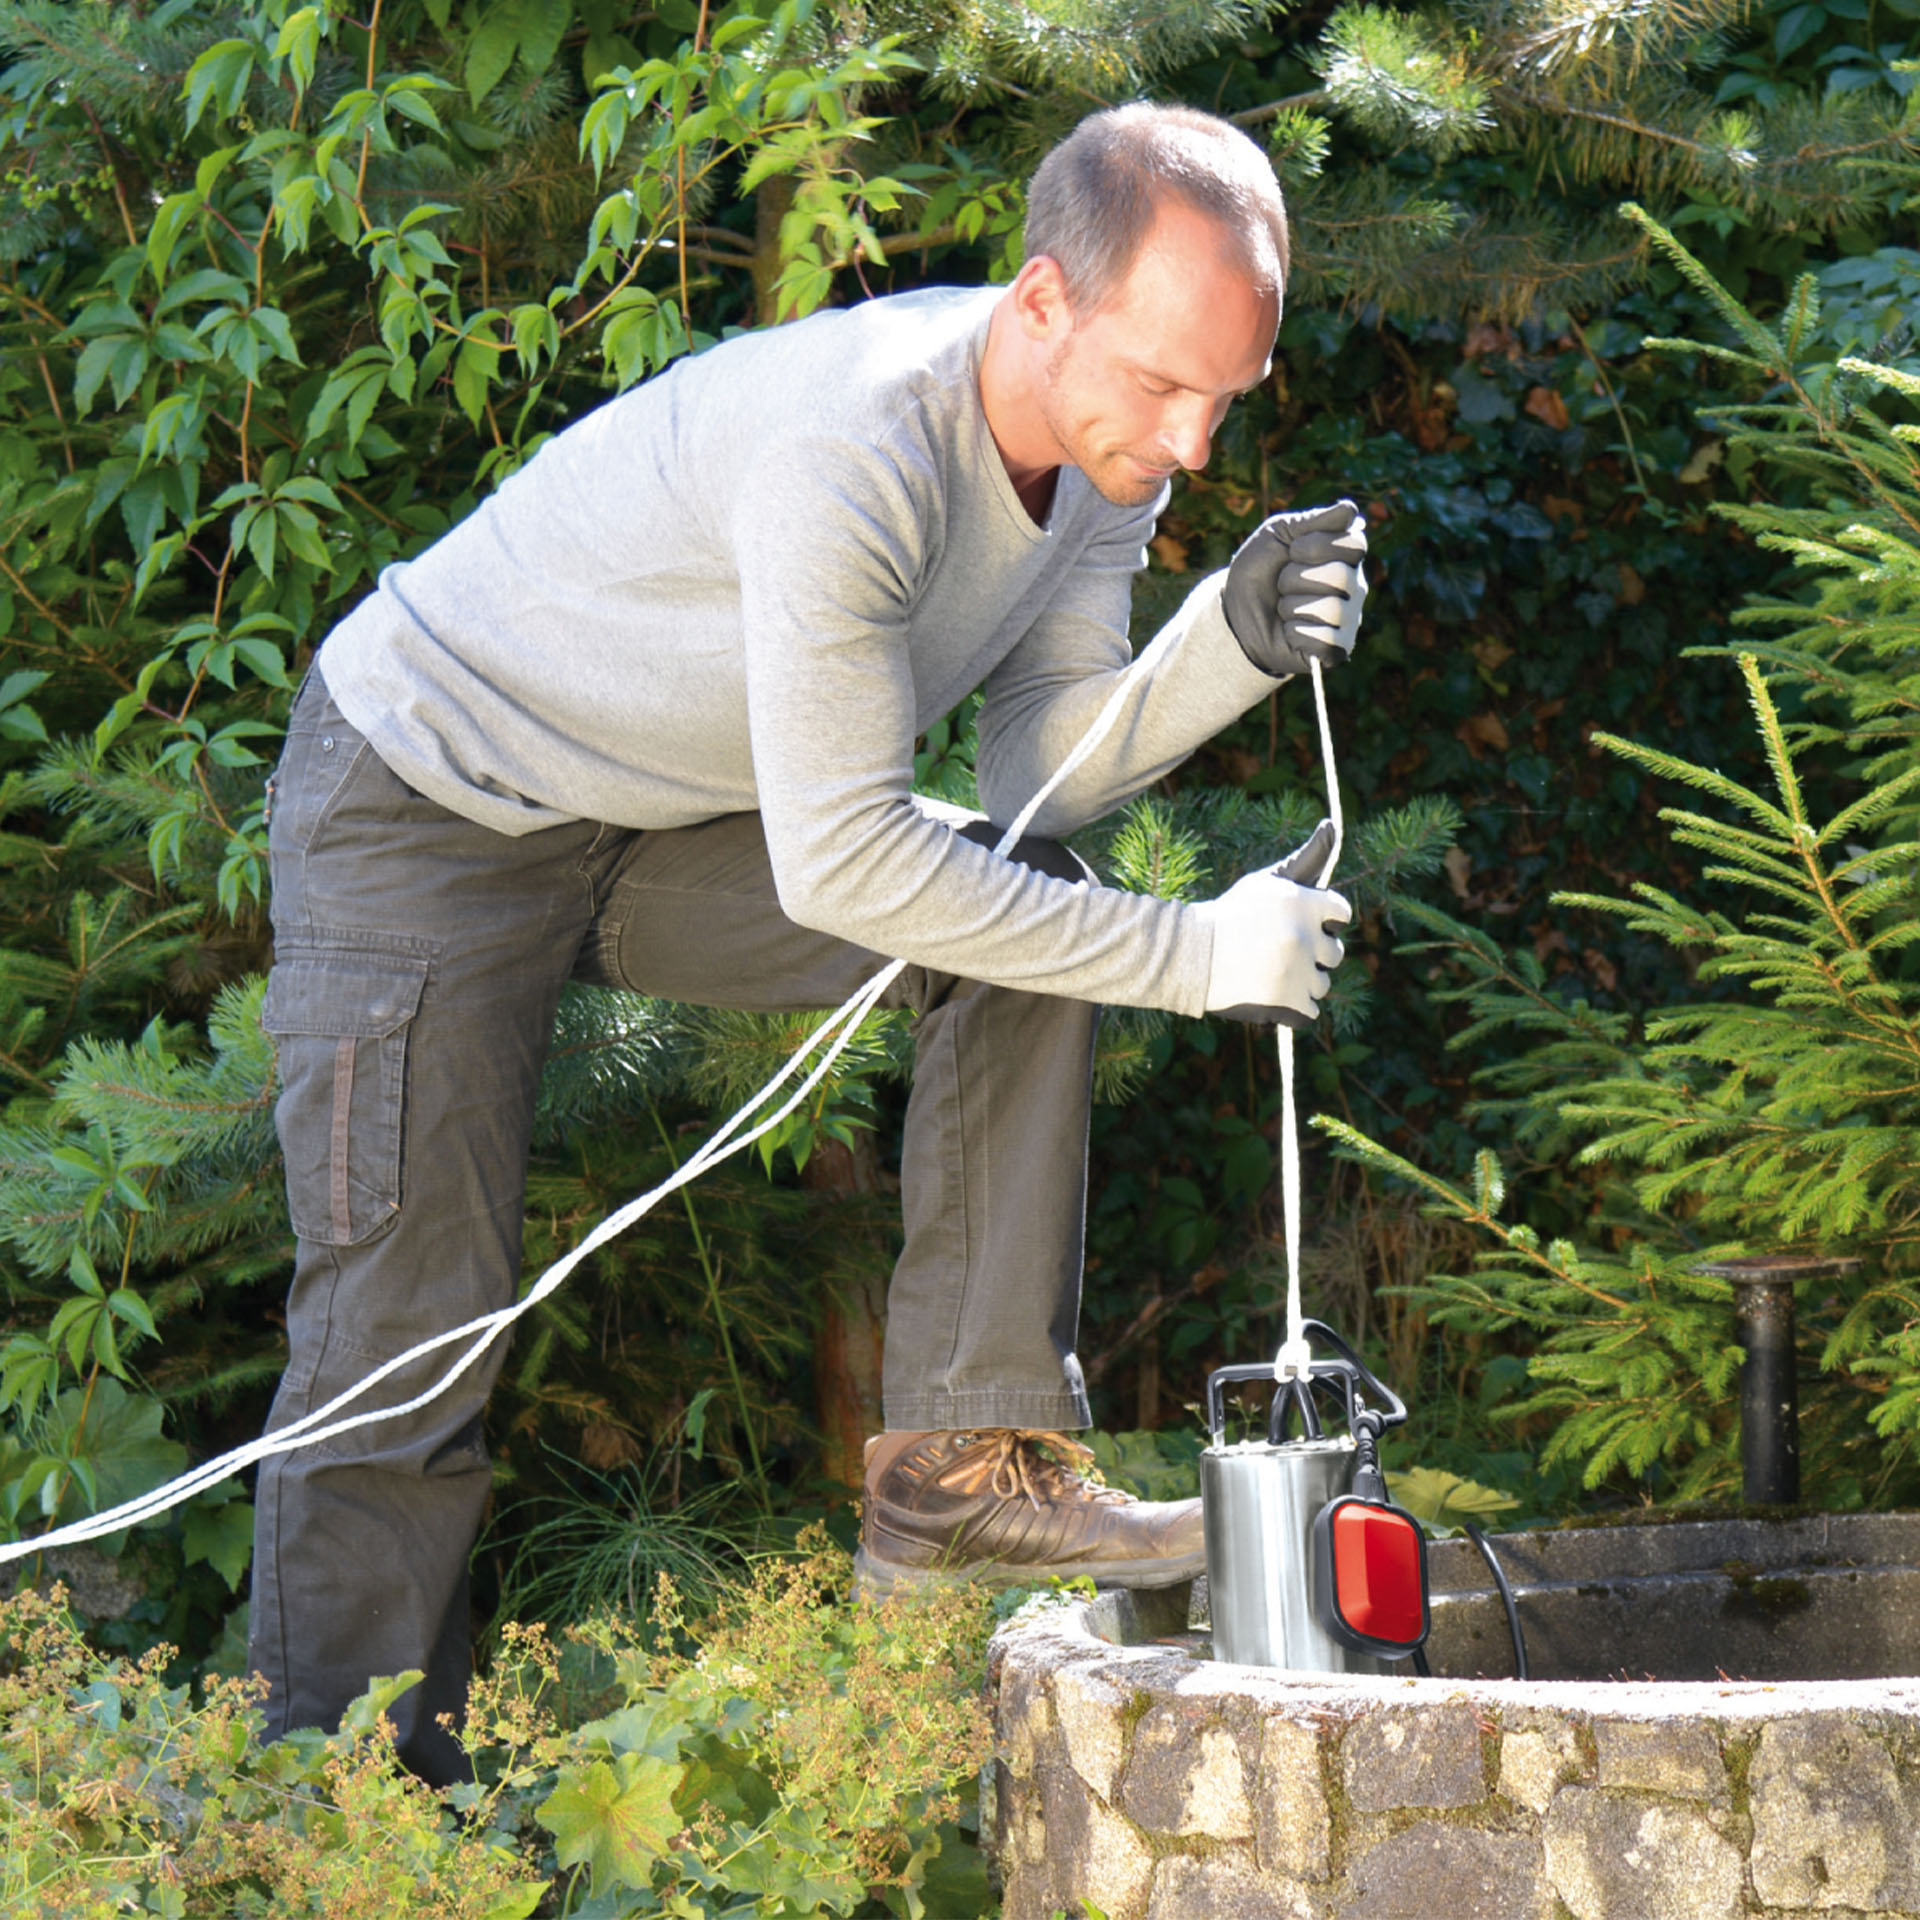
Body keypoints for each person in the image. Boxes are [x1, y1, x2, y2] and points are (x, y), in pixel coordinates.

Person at [246, 100, 1368, 1784]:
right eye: (1164, 382)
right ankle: (336, 1834)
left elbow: (1033, 763)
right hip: (427, 802)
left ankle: (962, 1473)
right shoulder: (852, 447)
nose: (1196, 442)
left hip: (659, 818)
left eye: (1229, 395)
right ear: (1044, 300)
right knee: (402, 1360)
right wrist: (1197, 953)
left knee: (1020, 913)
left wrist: (1226, 648)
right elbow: (848, 858)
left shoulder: (1097, 458)